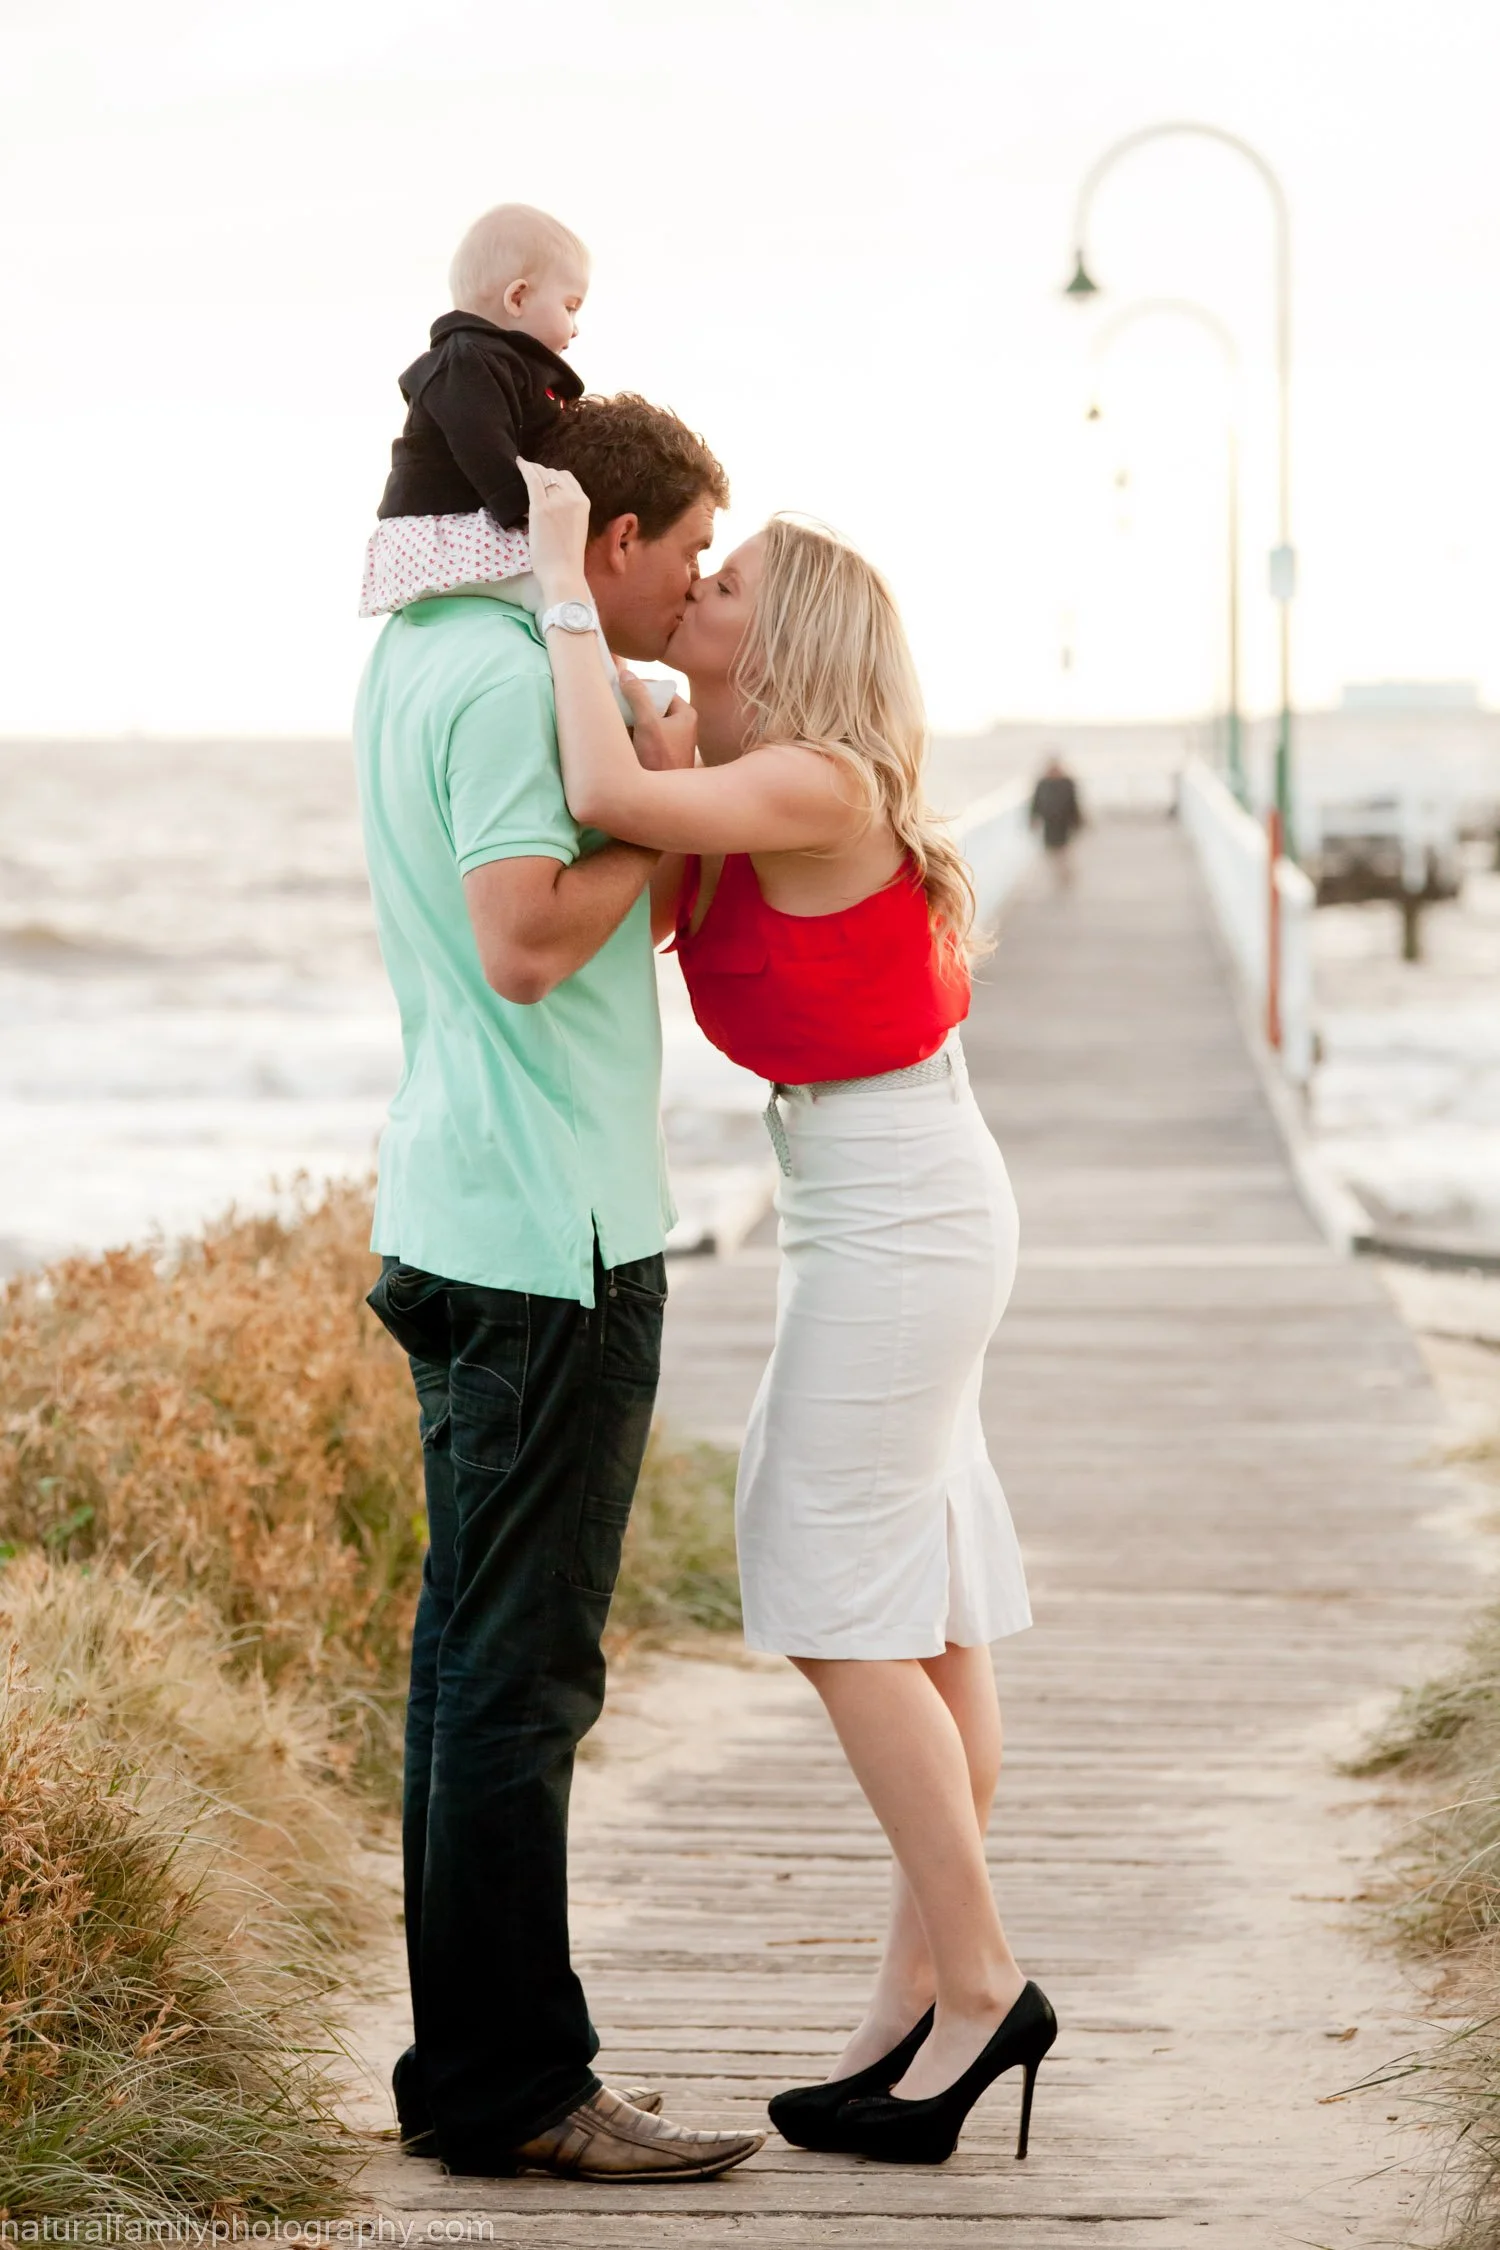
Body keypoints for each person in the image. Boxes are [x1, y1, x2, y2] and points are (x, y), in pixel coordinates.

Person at [519, 461, 1058, 2171]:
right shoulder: (756, 781)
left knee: (829, 1581)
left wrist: (553, 582)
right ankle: (918, 2006)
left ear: (792, 629)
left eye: (727, 582)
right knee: (927, 1599)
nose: (701, 592)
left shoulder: (819, 783)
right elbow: (643, 851)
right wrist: (664, 718)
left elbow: (597, 782)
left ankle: (979, 1981)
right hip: (878, 1200)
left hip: (897, 1208)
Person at [355, 394, 764, 2183]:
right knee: (520, 1686)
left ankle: (467, 2076)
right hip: (550, 1244)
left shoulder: (416, 652)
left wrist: (654, 802)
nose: (692, 588)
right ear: (613, 544)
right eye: (684, 557)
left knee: (466, 1672)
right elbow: (531, 941)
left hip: (457, 1205)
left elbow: (575, 923)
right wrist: (673, 820)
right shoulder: (525, 678)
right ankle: (523, 2086)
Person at [359, 203, 589, 620]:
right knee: (563, 590)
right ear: (517, 297)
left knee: (572, 578)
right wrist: (527, 508)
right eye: (570, 307)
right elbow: (480, 440)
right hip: (443, 534)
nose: (576, 327)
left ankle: (600, 672)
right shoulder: (465, 360)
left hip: (469, 528)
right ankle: (605, 681)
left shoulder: (502, 362)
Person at [1028, 753, 1085, 887]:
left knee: (1064, 851)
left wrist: (1078, 821)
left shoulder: (1067, 783)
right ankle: (1058, 876)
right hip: (1049, 823)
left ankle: (1066, 876)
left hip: (1064, 824)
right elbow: (1035, 803)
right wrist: (1033, 819)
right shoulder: (1042, 784)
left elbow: (1074, 803)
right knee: (1051, 851)